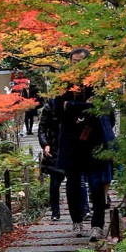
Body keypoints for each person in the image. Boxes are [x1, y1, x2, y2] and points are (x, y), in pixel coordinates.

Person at [60, 85, 114, 234]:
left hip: (94, 144)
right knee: (73, 186)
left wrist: (72, 106)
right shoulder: (63, 87)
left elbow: (105, 112)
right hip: (71, 147)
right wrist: (87, 108)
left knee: (96, 185)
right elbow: (60, 111)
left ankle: (97, 226)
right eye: (75, 59)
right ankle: (76, 221)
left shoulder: (96, 85)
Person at [37, 88, 72, 220]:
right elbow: (42, 128)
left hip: (70, 147)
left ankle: (82, 211)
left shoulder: (72, 105)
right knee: (55, 182)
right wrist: (45, 144)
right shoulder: (49, 107)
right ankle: (55, 211)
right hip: (54, 147)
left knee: (76, 181)